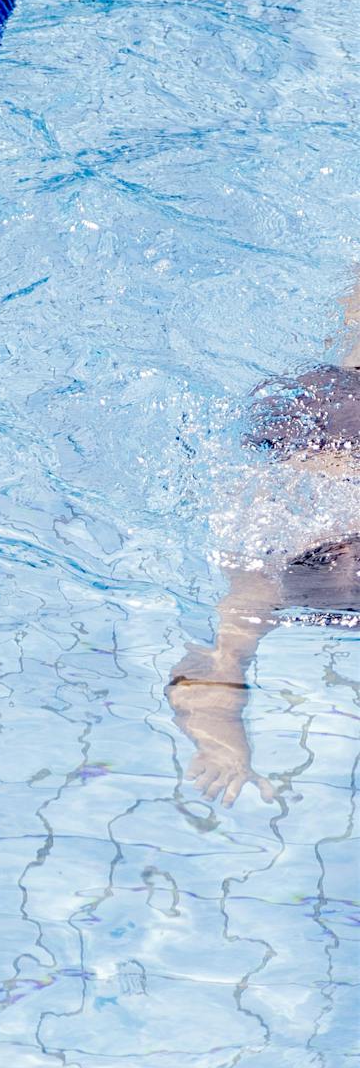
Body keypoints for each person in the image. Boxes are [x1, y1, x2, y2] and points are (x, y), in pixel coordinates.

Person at [169, 341, 360, 805]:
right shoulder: (265, 572)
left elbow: (213, 669)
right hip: (317, 423)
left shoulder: (263, 570)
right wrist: (221, 734)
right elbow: (210, 671)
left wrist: (222, 736)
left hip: (320, 422)